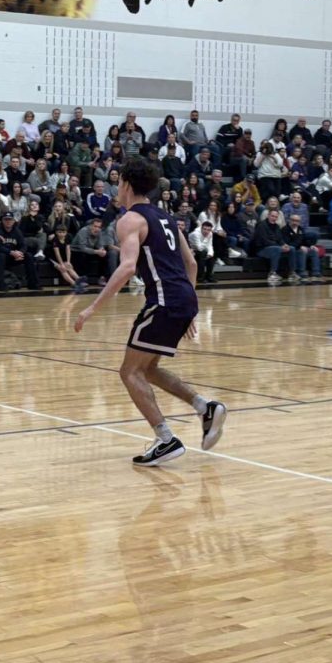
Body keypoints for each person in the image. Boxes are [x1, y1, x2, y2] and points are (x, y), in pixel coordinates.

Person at [74, 156, 225, 467]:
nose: (117, 187)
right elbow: (192, 264)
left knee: (129, 372)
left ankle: (166, 438)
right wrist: (190, 308)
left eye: (118, 182)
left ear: (127, 184)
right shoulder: (166, 217)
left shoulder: (130, 220)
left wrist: (91, 307)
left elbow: (127, 266)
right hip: (183, 297)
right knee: (148, 369)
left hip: (164, 300)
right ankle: (204, 407)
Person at [188, 220, 217, 285]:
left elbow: (210, 245)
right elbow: (199, 248)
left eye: (209, 230)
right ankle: (200, 277)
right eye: (205, 229)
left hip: (202, 250)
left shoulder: (210, 234)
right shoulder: (195, 234)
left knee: (212, 256)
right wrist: (206, 238)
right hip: (192, 250)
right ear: (201, 228)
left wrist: (210, 254)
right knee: (203, 254)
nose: (206, 231)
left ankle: (209, 276)